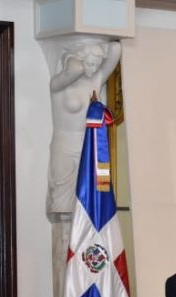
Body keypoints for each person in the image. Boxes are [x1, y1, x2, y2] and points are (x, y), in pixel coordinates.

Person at [47, 39, 121, 218]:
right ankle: (64, 244)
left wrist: (94, 50)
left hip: (90, 149)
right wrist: (74, 58)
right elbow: (75, 70)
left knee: (91, 207)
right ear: (78, 59)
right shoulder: (59, 83)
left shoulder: (96, 79)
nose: (93, 69)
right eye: (89, 63)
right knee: (62, 205)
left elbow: (116, 49)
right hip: (65, 146)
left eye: (96, 65)